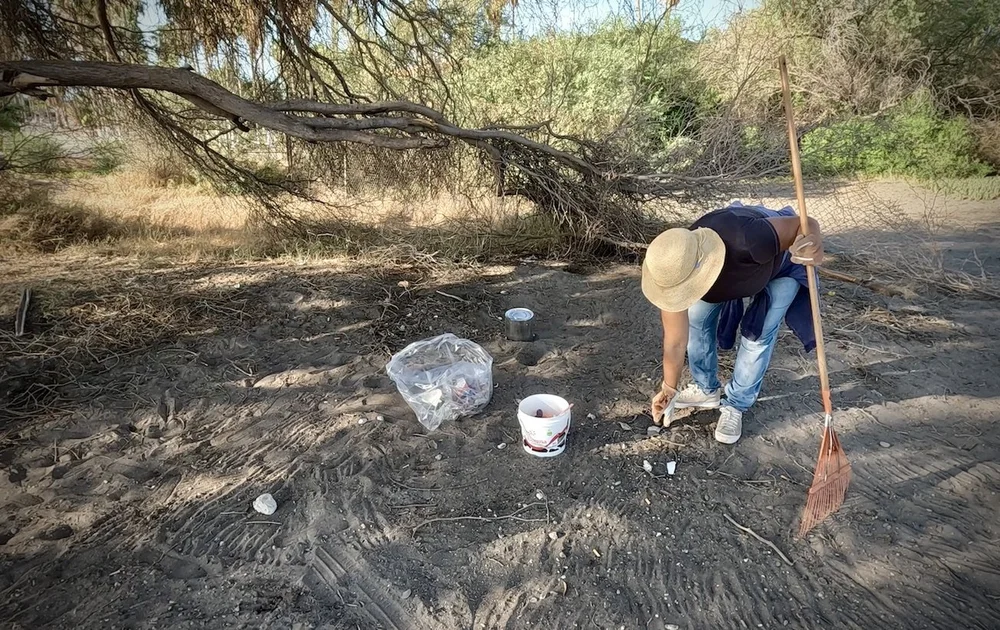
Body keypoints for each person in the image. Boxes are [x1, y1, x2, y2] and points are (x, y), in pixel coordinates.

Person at [641, 201, 824, 444]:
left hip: (780, 267)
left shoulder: (748, 239)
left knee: (756, 335)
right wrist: (669, 388)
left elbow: (806, 223)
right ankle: (707, 391)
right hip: (736, 274)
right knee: (697, 322)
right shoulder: (672, 270)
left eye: (684, 291)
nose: (680, 298)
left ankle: (736, 404)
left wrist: (811, 242)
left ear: (703, 271)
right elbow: (675, 342)